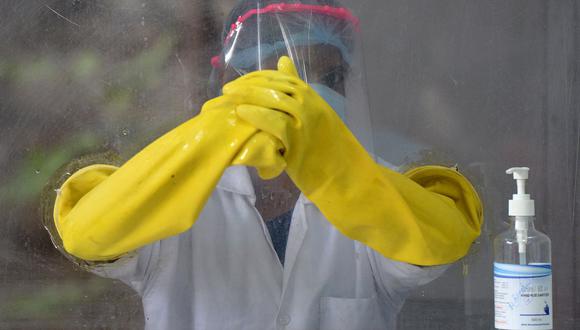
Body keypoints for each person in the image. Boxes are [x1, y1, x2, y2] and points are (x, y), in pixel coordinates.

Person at [47, 1, 483, 329]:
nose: (301, 92)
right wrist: (210, 137)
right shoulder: (171, 192)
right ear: (227, 85)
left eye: (327, 79)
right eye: (265, 73)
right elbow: (87, 232)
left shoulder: (378, 190)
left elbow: (443, 238)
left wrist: (333, 167)